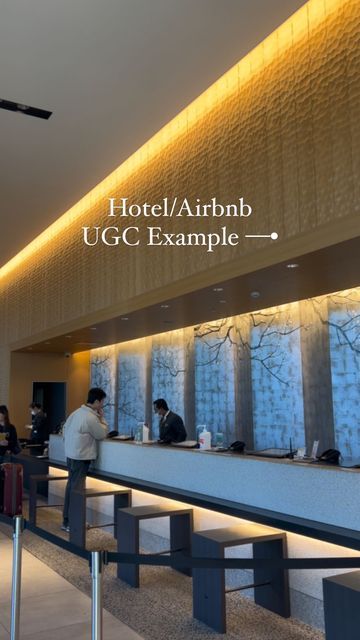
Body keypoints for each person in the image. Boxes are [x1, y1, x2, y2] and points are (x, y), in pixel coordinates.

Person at [61, 387, 108, 532]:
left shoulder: (75, 413)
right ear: (96, 401)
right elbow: (102, 434)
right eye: (102, 402)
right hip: (81, 458)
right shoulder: (90, 417)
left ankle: (67, 521)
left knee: (71, 489)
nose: (102, 405)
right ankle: (72, 523)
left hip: (71, 456)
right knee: (77, 491)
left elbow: (64, 430)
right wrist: (102, 418)